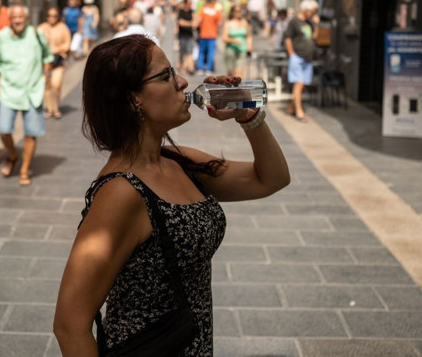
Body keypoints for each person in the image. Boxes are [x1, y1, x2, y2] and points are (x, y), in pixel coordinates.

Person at [53, 35, 290, 355]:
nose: (182, 82)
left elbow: (271, 179)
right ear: (132, 99)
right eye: (165, 76)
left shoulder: (179, 161)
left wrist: (248, 115)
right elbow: (69, 324)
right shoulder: (120, 192)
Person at [0, 5, 53, 186]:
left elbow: (48, 57)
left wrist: (46, 78)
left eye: (20, 17)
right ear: (9, 19)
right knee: (4, 130)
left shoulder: (36, 34)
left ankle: (24, 169)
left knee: (30, 134)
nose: (17, 20)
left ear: (26, 19)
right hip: (8, 90)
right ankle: (12, 155)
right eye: (14, 17)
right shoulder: (1, 37)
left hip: (32, 91)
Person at [284, 0, 320, 122]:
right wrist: (291, 54)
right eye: (313, 11)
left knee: (302, 84)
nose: (314, 13)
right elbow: (287, 38)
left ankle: (291, 106)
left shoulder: (309, 23)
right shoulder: (294, 21)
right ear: (306, 10)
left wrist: (316, 25)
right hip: (297, 57)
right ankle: (299, 112)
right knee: (298, 84)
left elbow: (314, 37)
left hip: (308, 58)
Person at [38, 7, 72, 119]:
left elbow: (67, 44)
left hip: (58, 61)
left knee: (56, 84)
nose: (52, 18)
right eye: (49, 16)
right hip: (44, 63)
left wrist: (56, 49)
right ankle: (49, 108)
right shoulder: (42, 28)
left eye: (54, 16)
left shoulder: (63, 28)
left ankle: (56, 107)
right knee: (46, 85)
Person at [222, 4, 252, 78]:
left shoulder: (244, 22)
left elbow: (248, 36)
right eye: (236, 11)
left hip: (242, 49)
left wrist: (249, 47)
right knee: (231, 73)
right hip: (230, 50)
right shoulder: (228, 23)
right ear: (233, 12)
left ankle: (238, 89)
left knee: (239, 73)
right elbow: (224, 38)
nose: (239, 13)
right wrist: (233, 40)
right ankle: (231, 89)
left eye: (240, 11)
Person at [196, 0, 221, 75]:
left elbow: (199, 21)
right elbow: (219, 23)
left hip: (203, 34)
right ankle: (208, 69)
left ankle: (200, 68)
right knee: (211, 52)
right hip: (212, 34)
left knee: (201, 52)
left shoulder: (203, 10)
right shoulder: (216, 11)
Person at [175, 0, 196, 75]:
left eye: (191, 3)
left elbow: (195, 23)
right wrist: (190, 24)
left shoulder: (192, 11)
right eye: (189, 3)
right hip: (182, 35)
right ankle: (181, 66)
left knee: (190, 51)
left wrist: (186, 24)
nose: (190, 5)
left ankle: (191, 68)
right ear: (185, 3)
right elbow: (180, 22)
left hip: (190, 35)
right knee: (182, 52)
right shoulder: (181, 12)